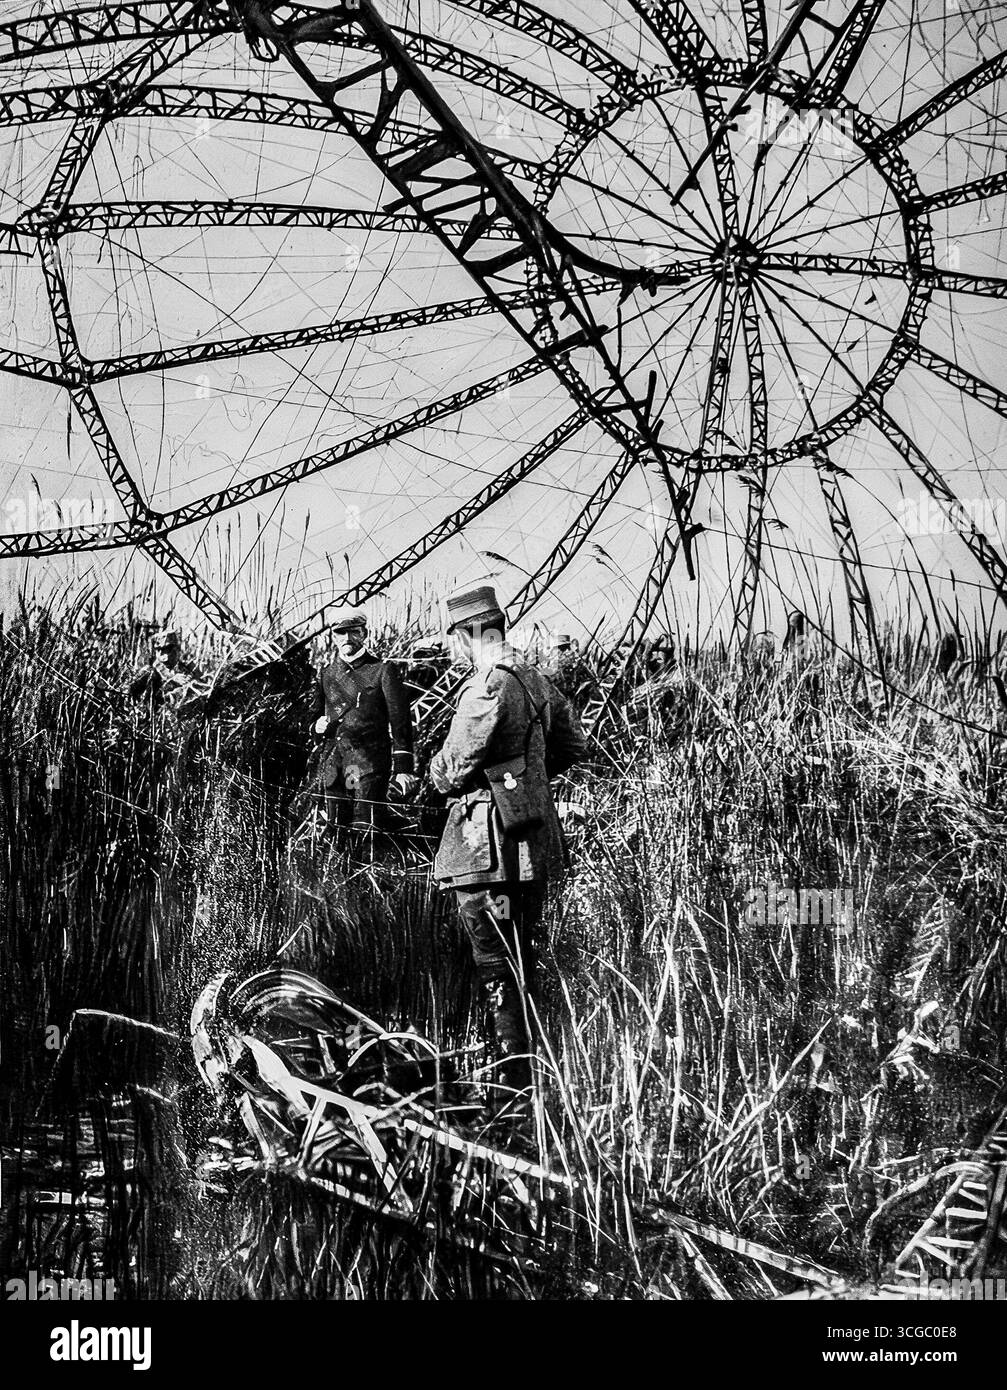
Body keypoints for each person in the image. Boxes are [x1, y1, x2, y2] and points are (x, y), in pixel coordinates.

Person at [429, 584, 587, 1109]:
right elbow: (572, 745)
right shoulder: (536, 678)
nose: (453, 648)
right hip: (531, 846)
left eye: (456, 638)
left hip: (485, 850)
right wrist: (525, 777)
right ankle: (530, 1085)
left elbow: (452, 768)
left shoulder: (488, 687)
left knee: (495, 964)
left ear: (471, 634)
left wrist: (443, 776)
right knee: (523, 956)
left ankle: (508, 1094)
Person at [310, 610, 417, 838]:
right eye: (341, 632)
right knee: (337, 832)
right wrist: (316, 728)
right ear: (333, 636)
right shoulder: (326, 674)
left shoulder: (381, 670)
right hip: (336, 765)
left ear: (365, 634)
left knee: (366, 830)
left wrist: (403, 768)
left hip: (369, 766)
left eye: (354, 632)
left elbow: (401, 721)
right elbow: (315, 717)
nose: (347, 638)